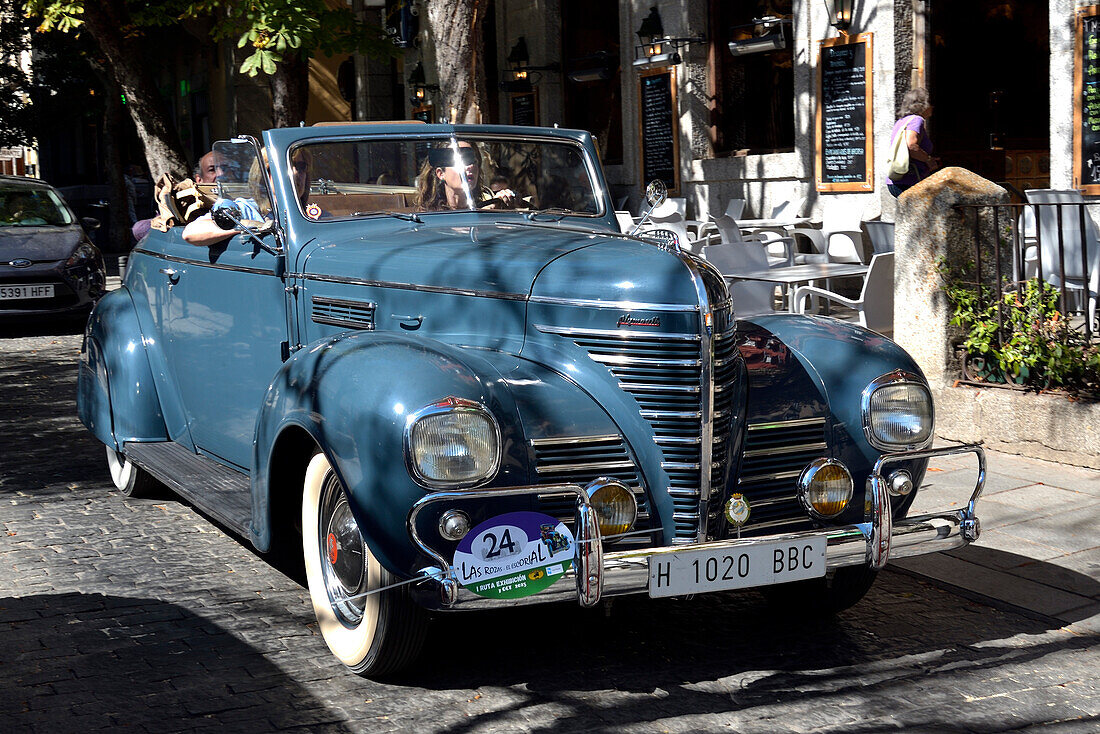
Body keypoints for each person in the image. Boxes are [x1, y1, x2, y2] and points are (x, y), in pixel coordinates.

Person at [182, 147, 312, 246]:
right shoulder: (248, 209)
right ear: (264, 174)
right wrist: (250, 225)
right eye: (284, 166)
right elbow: (191, 232)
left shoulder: (313, 213)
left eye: (301, 167)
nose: (295, 173)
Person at [415, 141, 515, 211]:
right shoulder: (428, 217)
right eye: (461, 161)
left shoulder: (489, 204)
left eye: (473, 161)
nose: (470, 166)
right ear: (441, 174)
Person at [886, 87, 941, 197]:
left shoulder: (901, 121)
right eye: (929, 103)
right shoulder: (917, 120)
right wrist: (928, 160)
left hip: (897, 180)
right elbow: (911, 145)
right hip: (909, 181)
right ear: (922, 105)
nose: (932, 107)